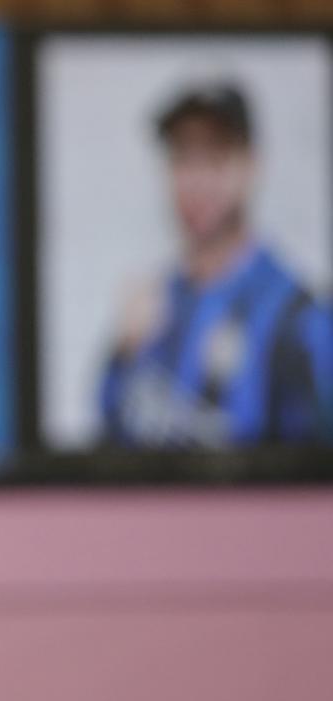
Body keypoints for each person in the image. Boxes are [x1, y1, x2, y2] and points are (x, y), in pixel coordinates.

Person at [100, 80, 333, 448]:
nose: (197, 180)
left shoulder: (296, 316)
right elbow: (108, 444)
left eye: (215, 158)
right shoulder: (151, 311)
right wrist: (122, 357)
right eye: (183, 158)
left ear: (250, 165)